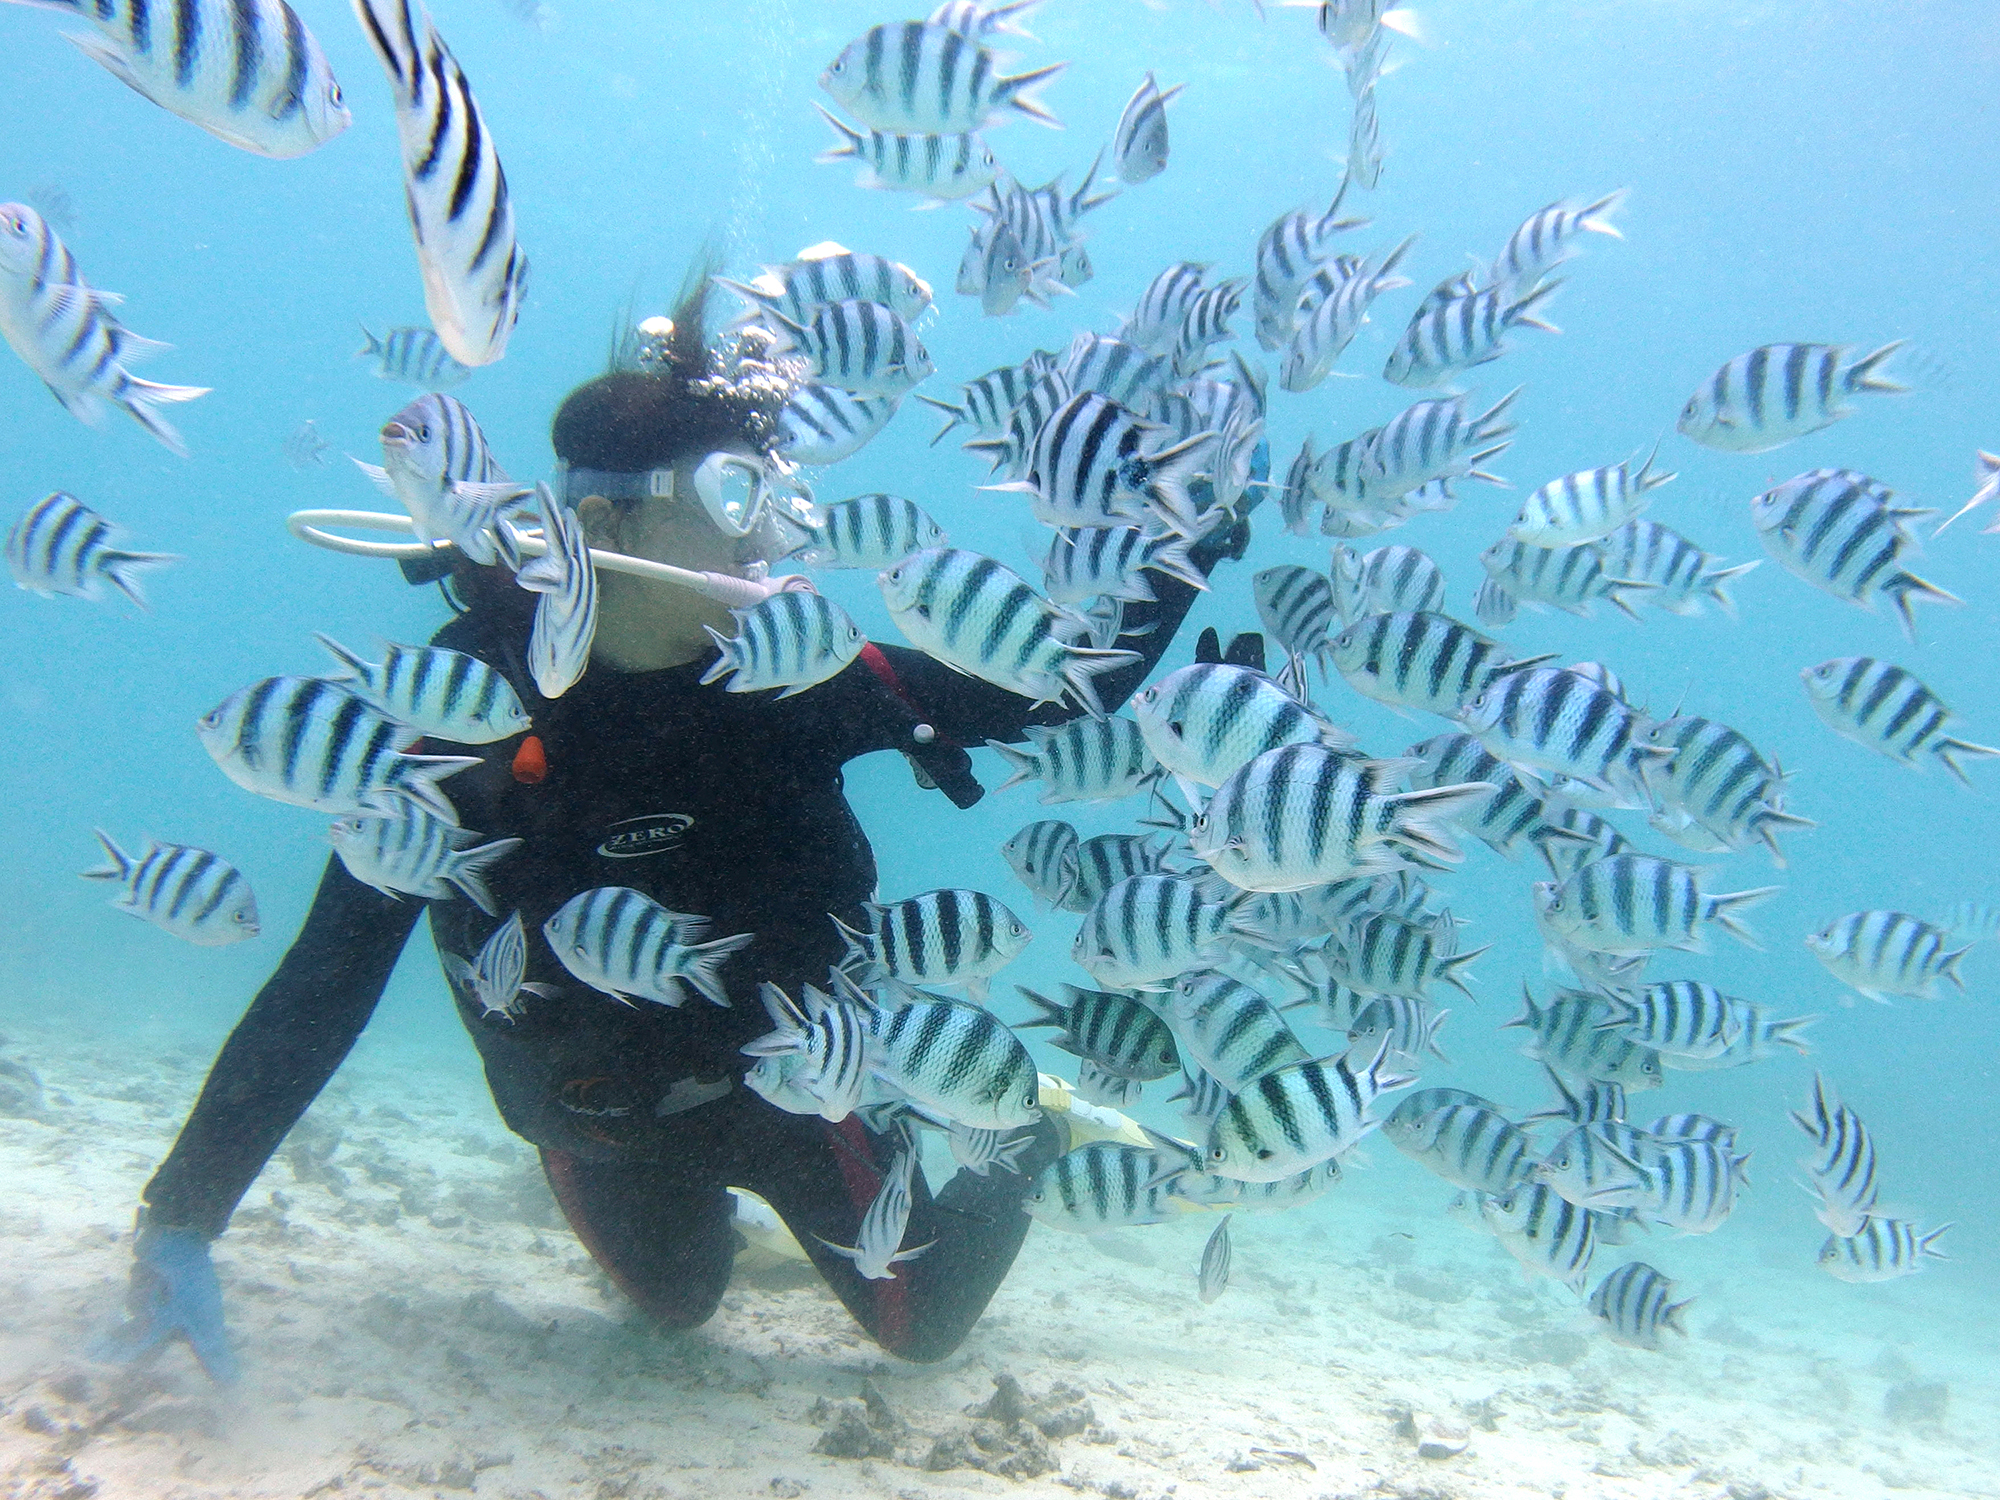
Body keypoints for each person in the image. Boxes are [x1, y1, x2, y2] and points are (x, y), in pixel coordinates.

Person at [99, 280, 1249, 1382]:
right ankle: (715, 1235)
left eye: (774, 501)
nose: (765, 543)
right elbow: (331, 972)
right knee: (675, 1306)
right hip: (585, 1102)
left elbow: (1052, 692)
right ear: (607, 520)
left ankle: (1029, 1123)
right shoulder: (460, 709)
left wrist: (1181, 551)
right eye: (732, 501)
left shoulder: (797, 673)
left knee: (922, 1328)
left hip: (791, 1086)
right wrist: (182, 1217)